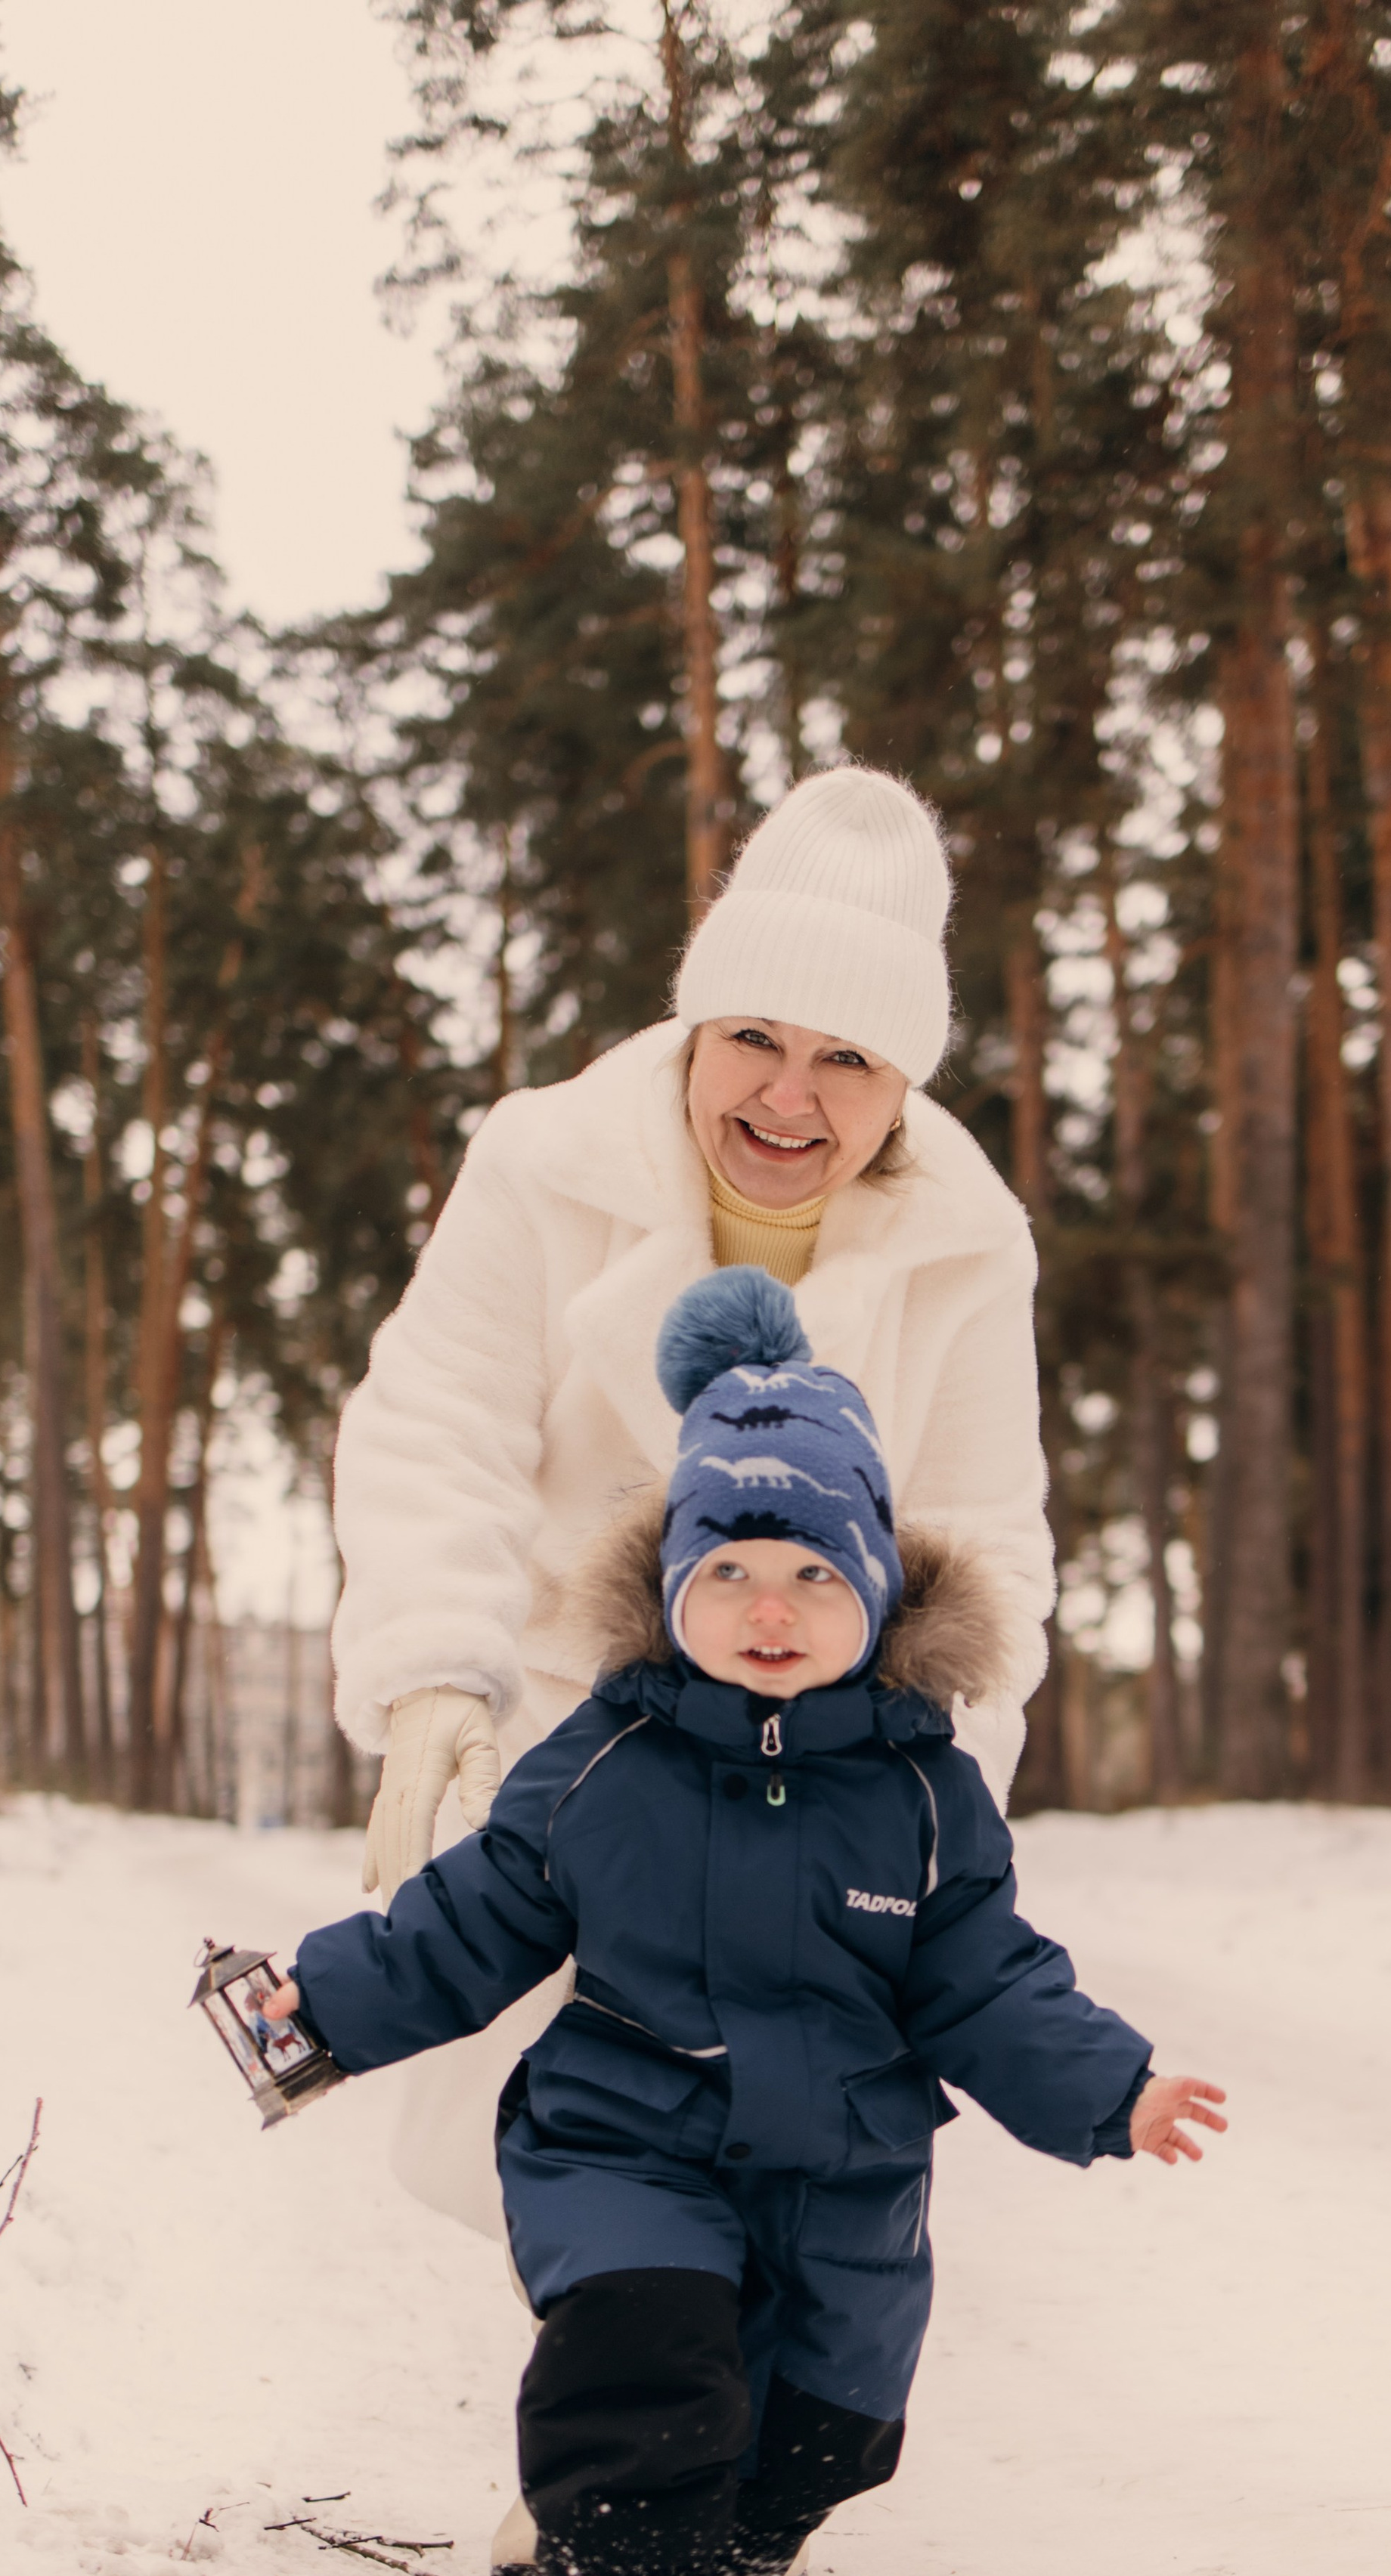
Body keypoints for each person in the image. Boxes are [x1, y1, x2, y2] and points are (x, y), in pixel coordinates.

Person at [270, 1271, 1227, 2576]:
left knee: (833, 2422)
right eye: (726, 1572)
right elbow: (475, 1915)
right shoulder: (602, 1764)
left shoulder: (922, 1792)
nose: (767, 1610)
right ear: (672, 1589)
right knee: (643, 2345)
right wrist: (330, 2002)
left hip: (843, 2165)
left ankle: (730, 2558)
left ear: (879, 1590)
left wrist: (1115, 2088)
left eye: (812, 1577)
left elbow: (987, 1979)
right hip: (627, 2129)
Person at [329, 764, 1057, 2259]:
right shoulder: (543, 1161)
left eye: (845, 1059)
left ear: (901, 1081)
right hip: (567, 1723)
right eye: (753, 1040)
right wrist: (429, 1678)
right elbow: (438, 1426)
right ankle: (619, 2443)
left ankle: (683, 2453)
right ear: (692, 1027)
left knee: (784, 2139)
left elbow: (980, 1532)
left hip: (821, 1749)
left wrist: (938, 1791)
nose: (787, 1097)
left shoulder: (964, 1244)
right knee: (550, 2126)